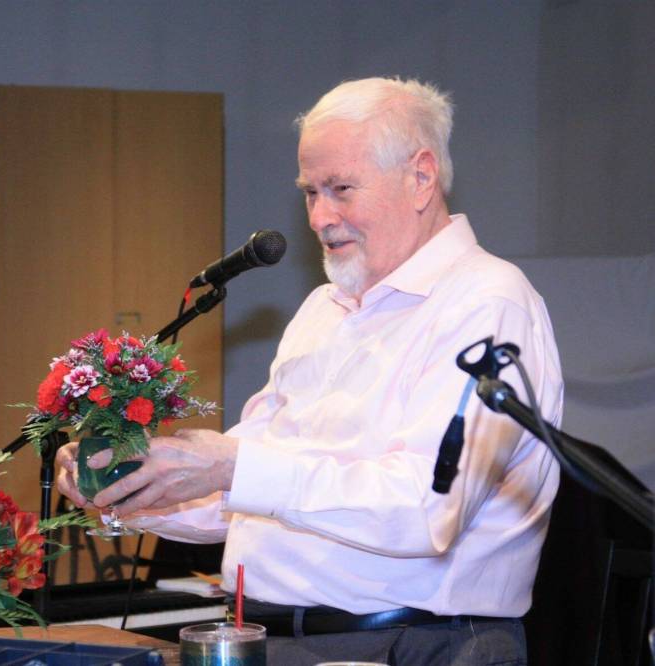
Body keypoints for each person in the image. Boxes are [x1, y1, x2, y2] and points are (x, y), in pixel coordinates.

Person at [56, 77, 563, 666]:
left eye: (341, 188)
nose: (320, 217)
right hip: (272, 640)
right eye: (309, 192)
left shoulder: (485, 303)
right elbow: (249, 489)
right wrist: (130, 484)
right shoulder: (324, 309)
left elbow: (427, 508)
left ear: (420, 177)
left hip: (417, 644)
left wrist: (230, 465)